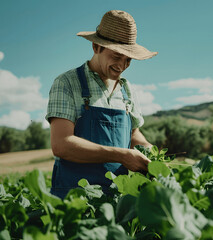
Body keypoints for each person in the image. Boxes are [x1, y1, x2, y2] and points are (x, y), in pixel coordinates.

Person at [45, 10, 158, 199]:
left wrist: (149, 151)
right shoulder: (67, 83)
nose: (122, 66)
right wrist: (122, 156)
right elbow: (61, 145)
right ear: (96, 47)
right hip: (75, 199)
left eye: (128, 59)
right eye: (116, 56)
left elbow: (133, 134)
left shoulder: (126, 89)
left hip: (118, 199)